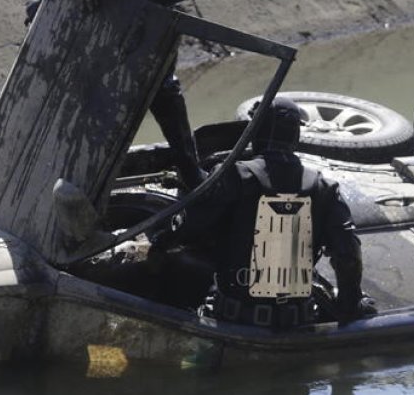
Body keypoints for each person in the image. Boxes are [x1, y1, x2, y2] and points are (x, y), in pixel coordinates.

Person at [14, 0, 203, 190]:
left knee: (164, 88)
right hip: (81, 6)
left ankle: (191, 172)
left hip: (131, 17)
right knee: (68, 89)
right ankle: (43, 170)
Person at [150, 97, 376, 329]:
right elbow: (348, 253)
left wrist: (161, 239)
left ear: (254, 132)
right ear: (295, 137)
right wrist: (350, 305)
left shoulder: (234, 176)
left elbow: (188, 228)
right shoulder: (323, 187)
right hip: (299, 325)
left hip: (233, 323)